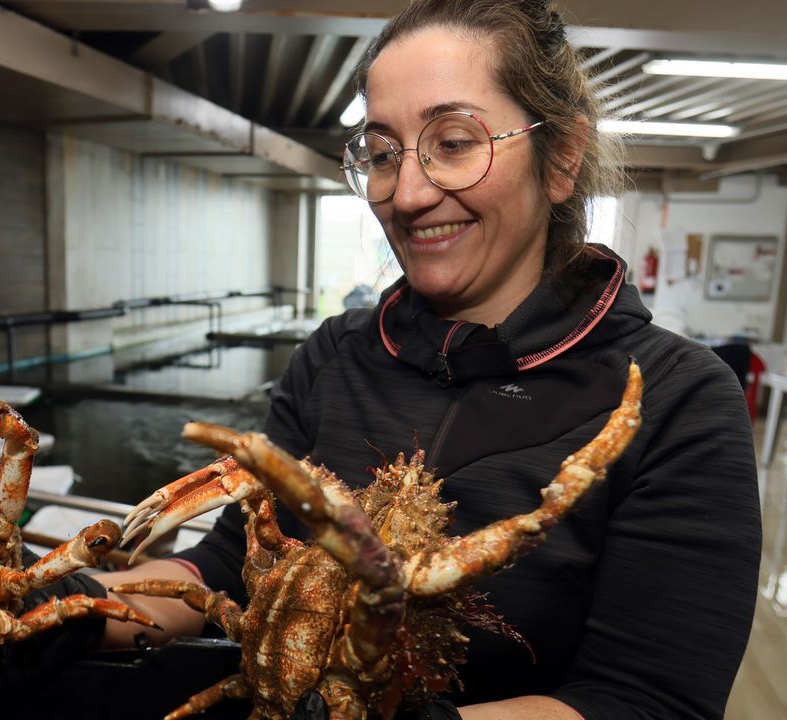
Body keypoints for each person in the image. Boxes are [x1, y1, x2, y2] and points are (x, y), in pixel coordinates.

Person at [91, 1, 762, 718]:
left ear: (562, 157)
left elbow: (649, 700)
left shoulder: (677, 402)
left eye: (454, 141)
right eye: (382, 153)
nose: (407, 194)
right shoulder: (335, 356)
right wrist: (77, 610)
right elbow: (229, 565)